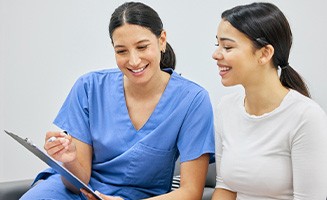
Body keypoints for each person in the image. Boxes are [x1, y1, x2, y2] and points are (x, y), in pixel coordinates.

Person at [20, 2, 215, 200]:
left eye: (142, 47)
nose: (134, 60)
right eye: (121, 51)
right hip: (75, 192)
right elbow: (76, 182)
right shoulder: (89, 87)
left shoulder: (192, 101)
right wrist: (68, 161)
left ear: (162, 40)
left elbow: (191, 193)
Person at [211, 2, 327, 200]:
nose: (216, 55)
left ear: (265, 53)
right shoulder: (226, 108)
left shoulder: (306, 116)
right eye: (217, 45)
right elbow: (225, 187)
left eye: (228, 47)